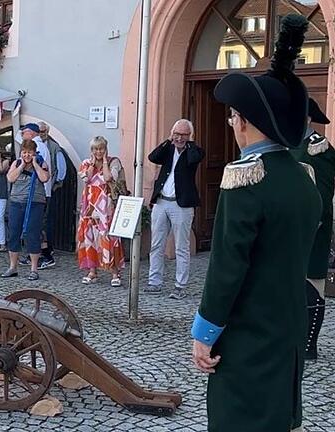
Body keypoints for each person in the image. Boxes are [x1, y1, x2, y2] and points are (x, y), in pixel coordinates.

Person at [190, 15, 319, 432]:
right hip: (288, 324)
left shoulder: (245, 178)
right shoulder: (304, 177)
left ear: (245, 122)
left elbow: (228, 267)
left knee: (238, 419)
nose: (231, 123)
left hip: (248, 332)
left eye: (232, 117)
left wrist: (204, 332)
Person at [290, 98, 334, 361]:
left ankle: (309, 345)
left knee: (312, 284)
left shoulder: (319, 148)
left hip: (310, 230)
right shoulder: (287, 145)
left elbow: (322, 194)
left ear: (306, 118)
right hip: (289, 230)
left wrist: (310, 224)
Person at [146, 119, 205, 299]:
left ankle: (180, 285)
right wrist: (168, 141)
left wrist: (188, 144)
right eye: (177, 134)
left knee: (181, 247)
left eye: (183, 135)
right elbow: (152, 157)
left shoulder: (194, 151)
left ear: (189, 136)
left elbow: (195, 158)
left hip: (182, 204)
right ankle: (154, 282)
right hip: (162, 201)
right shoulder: (168, 149)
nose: (179, 138)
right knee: (156, 244)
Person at [76, 136, 125, 287]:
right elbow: (87, 178)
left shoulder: (113, 162)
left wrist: (104, 161)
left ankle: (115, 272)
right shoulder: (85, 163)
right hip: (89, 207)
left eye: (101, 148)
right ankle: (92, 271)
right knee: (90, 239)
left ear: (105, 149)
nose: (98, 151)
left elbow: (109, 178)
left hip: (106, 207)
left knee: (110, 238)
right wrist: (92, 164)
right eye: (95, 149)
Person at [0, 139, 50, 281]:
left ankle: (34, 269)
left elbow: (45, 178)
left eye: (29, 152)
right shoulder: (16, 163)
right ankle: (13, 267)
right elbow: (10, 178)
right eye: (24, 152)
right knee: (14, 233)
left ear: (34, 153)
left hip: (35, 203)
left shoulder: (41, 163)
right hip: (16, 202)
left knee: (32, 234)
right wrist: (21, 165)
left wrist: (35, 164)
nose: (27, 155)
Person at [18, 123, 53, 269]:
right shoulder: (39, 145)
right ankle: (34, 253)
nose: (22, 136)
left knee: (37, 226)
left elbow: (40, 169)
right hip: (36, 192)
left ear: (31, 133)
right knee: (34, 226)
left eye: (24, 133)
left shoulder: (39, 148)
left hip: (39, 192)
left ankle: (45, 255)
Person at [38, 122, 66, 267]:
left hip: (49, 188)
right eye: (39, 131)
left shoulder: (54, 147)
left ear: (47, 131)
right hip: (39, 190)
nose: (40, 133)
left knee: (45, 221)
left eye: (42, 131)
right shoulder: (35, 145)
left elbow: (61, 167)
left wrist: (57, 183)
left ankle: (48, 249)